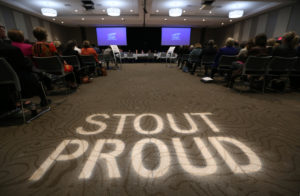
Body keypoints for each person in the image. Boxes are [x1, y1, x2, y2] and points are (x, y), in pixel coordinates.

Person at [0, 39, 50, 107]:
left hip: (3, 83)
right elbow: (23, 65)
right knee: (37, 74)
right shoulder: (13, 49)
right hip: (20, 81)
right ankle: (44, 99)